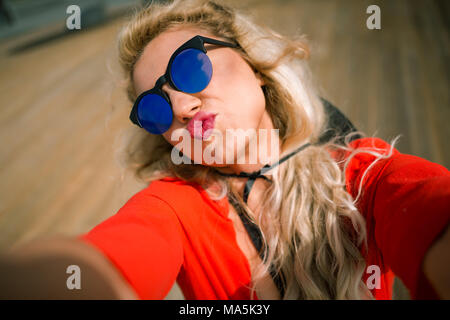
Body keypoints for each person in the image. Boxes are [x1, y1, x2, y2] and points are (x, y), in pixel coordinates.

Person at [0, 0, 449, 300]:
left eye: (190, 67)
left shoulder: (361, 177)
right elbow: (109, 259)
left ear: (255, 65)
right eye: (154, 107)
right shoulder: (176, 207)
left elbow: (429, 210)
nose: (179, 105)